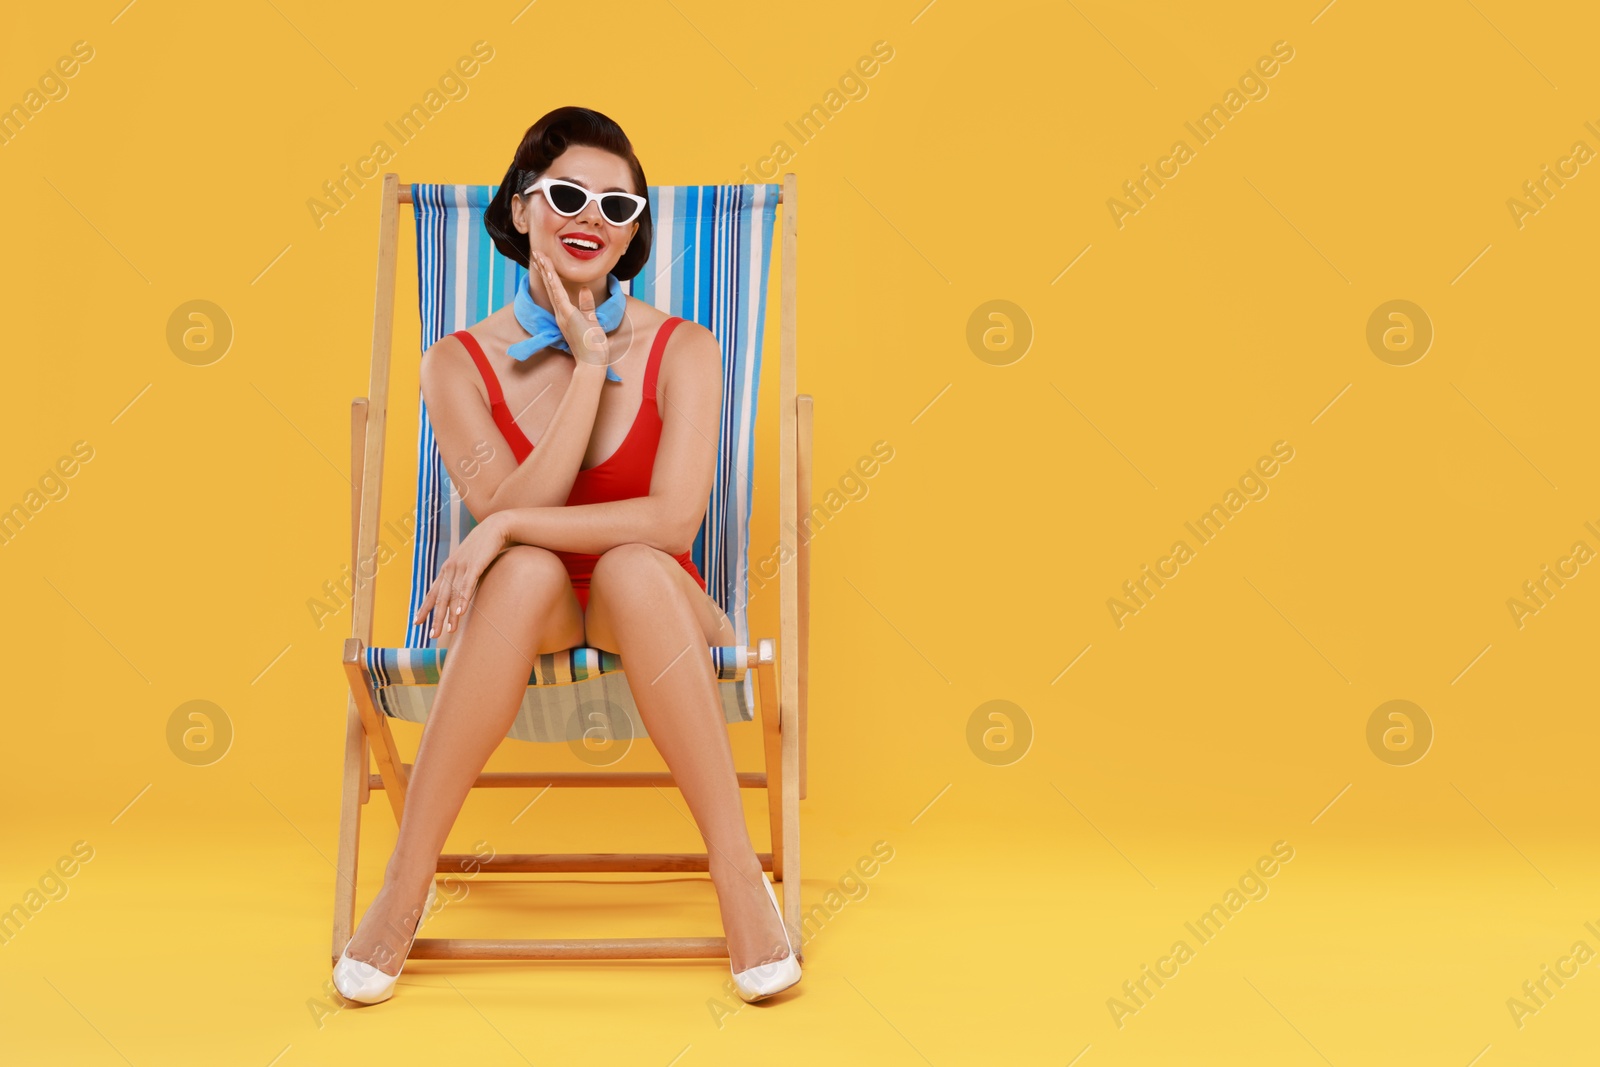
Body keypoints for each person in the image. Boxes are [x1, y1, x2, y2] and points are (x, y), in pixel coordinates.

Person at [332, 106, 799, 1004]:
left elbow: (666, 523)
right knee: (528, 572)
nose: (593, 218)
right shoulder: (456, 363)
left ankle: (740, 877)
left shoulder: (685, 349)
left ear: (634, 237)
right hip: (525, 607)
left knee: (623, 563)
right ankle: (402, 885)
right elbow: (512, 514)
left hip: (660, 597)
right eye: (569, 195)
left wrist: (502, 526)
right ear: (519, 208)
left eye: (619, 207)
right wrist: (586, 365)